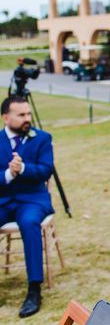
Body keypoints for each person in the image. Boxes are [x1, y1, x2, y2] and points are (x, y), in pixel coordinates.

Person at [0, 96, 54, 319]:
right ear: (6, 117)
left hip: (33, 199)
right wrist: (8, 174)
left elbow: (45, 170)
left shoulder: (41, 138)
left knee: (29, 222)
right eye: (21, 115)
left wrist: (22, 169)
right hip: (3, 200)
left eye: (28, 114)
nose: (27, 119)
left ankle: (34, 289)